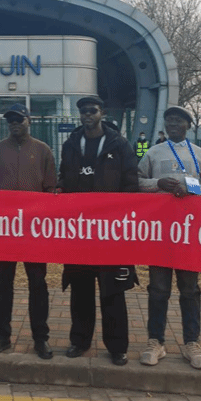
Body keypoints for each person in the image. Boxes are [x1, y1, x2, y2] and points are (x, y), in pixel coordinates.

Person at [137, 105, 201, 370]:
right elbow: (136, 182)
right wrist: (157, 184)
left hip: (190, 233)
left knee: (190, 289)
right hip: (160, 232)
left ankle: (191, 343)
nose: (173, 125)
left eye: (179, 121)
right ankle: (155, 341)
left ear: (188, 125)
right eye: (169, 120)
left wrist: (191, 187)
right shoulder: (153, 153)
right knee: (158, 289)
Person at [58, 96, 139, 366]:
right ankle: (79, 341)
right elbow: (64, 177)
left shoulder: (119, 144)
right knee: (80, 290)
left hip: (110, 232)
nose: (87, 115)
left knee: (112, 291)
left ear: (102, 112)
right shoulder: (71, 144)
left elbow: (131, 182)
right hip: (79, 231)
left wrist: (120, 217)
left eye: (92, 110)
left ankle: (117, 347)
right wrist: (60, 190)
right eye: (83, 111)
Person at [0, 103, 57, 359]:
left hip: (33, 231)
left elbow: (50, 189)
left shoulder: (43, 150)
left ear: (29, 120)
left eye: (19, 119)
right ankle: (2, 336)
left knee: (38, 284)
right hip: (4, 230)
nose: (14, 124)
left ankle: (40, 338)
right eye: (10, 120)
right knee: (3, 284)